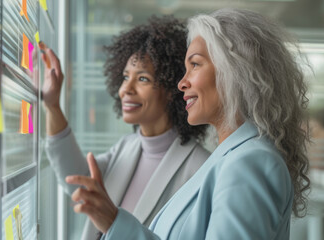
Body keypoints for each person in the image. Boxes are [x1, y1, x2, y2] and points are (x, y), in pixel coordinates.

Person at [65, 8, 311, 239]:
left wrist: (116, 223)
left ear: (234, 72)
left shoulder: (250, 163)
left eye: (194, 64)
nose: (181, 83)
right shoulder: (228, 158)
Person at [42, 16, 210, 240]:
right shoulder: (127, 146)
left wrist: (114, 222)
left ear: (171, 89)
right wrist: (52, 106)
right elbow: (80, 184)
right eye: (125, 77)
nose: (125, 89)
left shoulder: (201, 168)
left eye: (142, 79)